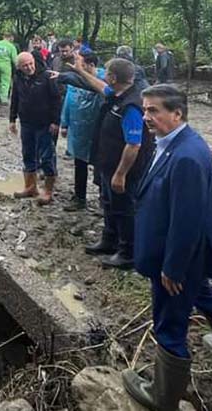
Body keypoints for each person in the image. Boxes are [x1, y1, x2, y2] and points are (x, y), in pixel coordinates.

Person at [122, 84, 212, 409]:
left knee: (169, 323)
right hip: (181, 255)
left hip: (176, 260)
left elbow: (188, 219)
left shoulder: (188, 156)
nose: (146, 116)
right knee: (203, 295)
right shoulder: (171, 142)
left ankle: (162, 397)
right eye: (145, 109)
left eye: (154, 111)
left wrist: (172, 267)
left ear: (177, 113)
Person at [68, 57, 153, 270]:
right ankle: (109, 240)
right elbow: (100, 86)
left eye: (105, 72)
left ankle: (127, 253)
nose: (103, 75)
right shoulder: (117, 94)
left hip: (123, 170)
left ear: (114, 77)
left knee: (124, 209)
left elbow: (133, 145)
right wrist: (80, 71)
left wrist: (121, 174)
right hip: (107, 164)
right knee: (108, 203)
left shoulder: (132, 106)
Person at [8, 52, 60, 204]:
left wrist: (56, 122)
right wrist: (12, 119)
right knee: (28, 155)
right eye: (25, 65)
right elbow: (15, 98)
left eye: (31, 63)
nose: (29, 67)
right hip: (26, 123)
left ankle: (48, 191)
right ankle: (31, 187)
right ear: (19, 67)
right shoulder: (17, 77)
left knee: (47, 157)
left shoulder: (46, 76)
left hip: (45, 124)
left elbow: (57, 100)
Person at [60, 50, 105, 213]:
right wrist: (64, 123)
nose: (75, 64)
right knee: (79, 164)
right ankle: (79, 198)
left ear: (91, 65)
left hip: (98, 131)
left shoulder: (103, 79)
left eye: (79, 61)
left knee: (101, 167)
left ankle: (104, 201)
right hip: (78, 129)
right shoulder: (75, 79)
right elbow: (68, 100)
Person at [0, 33, 19, 105]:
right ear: (11, 38)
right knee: (5, 82)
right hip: (6, 66)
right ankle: (4, 98)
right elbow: (15, 59)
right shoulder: (11, 46)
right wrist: (18, 68)